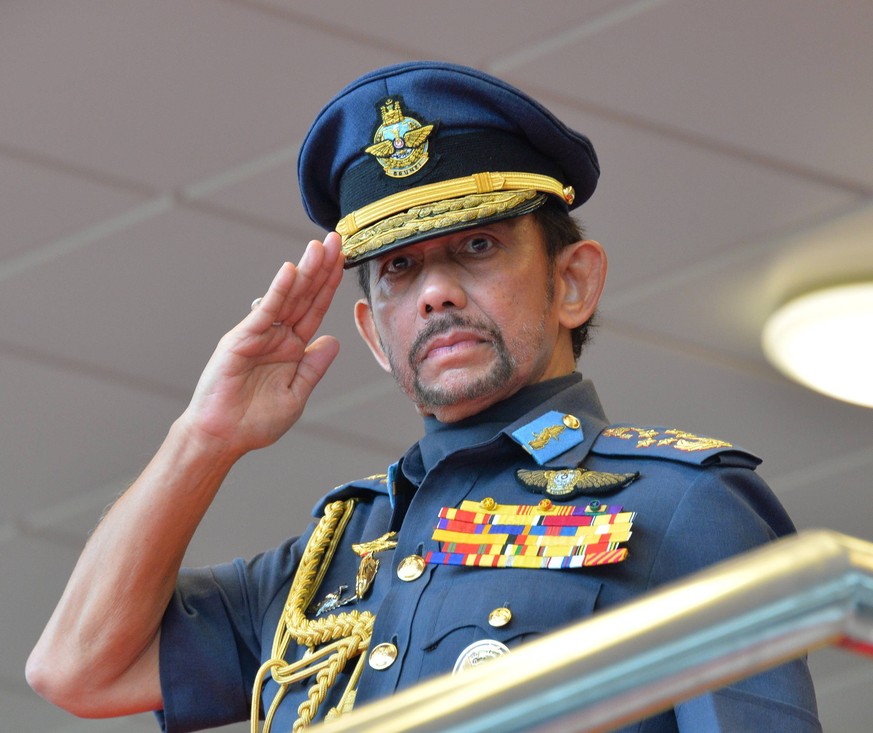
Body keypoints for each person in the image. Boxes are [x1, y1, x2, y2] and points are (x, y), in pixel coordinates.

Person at [27, 61, 821, 732]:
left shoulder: (683, 504)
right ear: (374, 334)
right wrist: (205, 435)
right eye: (401, 270)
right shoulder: (326, 561)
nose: (437, 292)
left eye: (477, 247)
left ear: (571, 281)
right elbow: (79, 667)